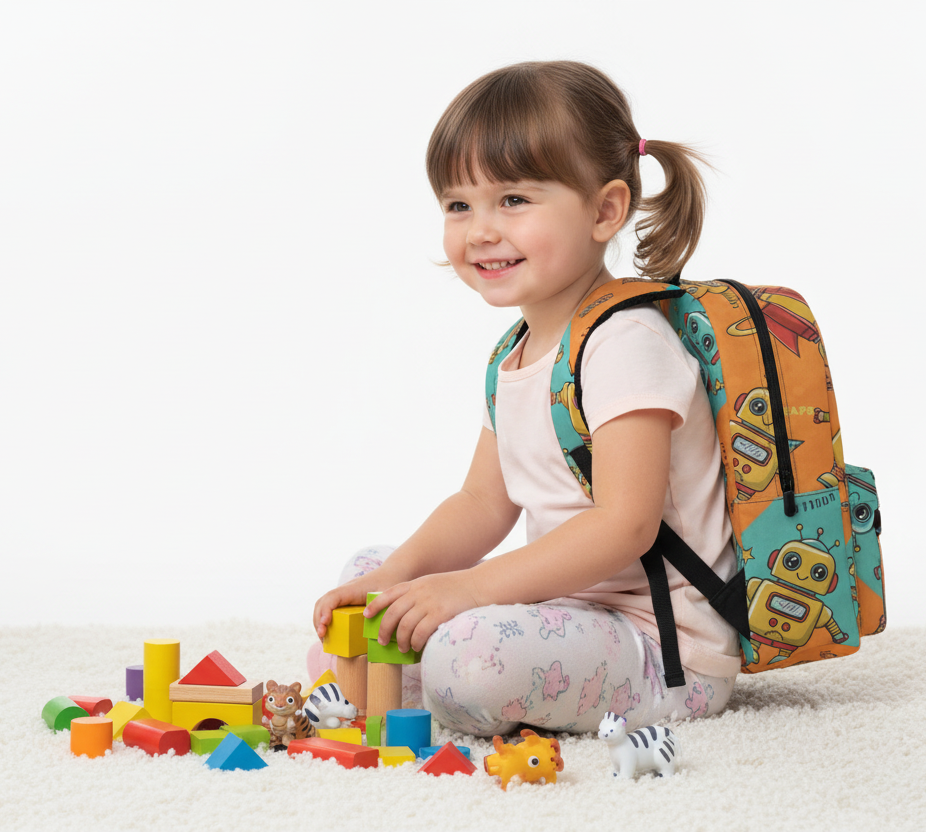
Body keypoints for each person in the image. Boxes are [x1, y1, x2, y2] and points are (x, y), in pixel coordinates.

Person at [311, 60, 739, 737]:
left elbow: (624, 525)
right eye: (459, 205)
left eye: (512, 200)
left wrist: (470, 590)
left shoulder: (625, 342)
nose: (480, 230)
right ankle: (397, 664)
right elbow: (482, 503)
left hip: (662, 648)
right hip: (566, 610)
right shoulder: (515, 353)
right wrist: (396, 578)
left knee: (468, 659)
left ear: (605, 211)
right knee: (372, 573)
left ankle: (418, 675)